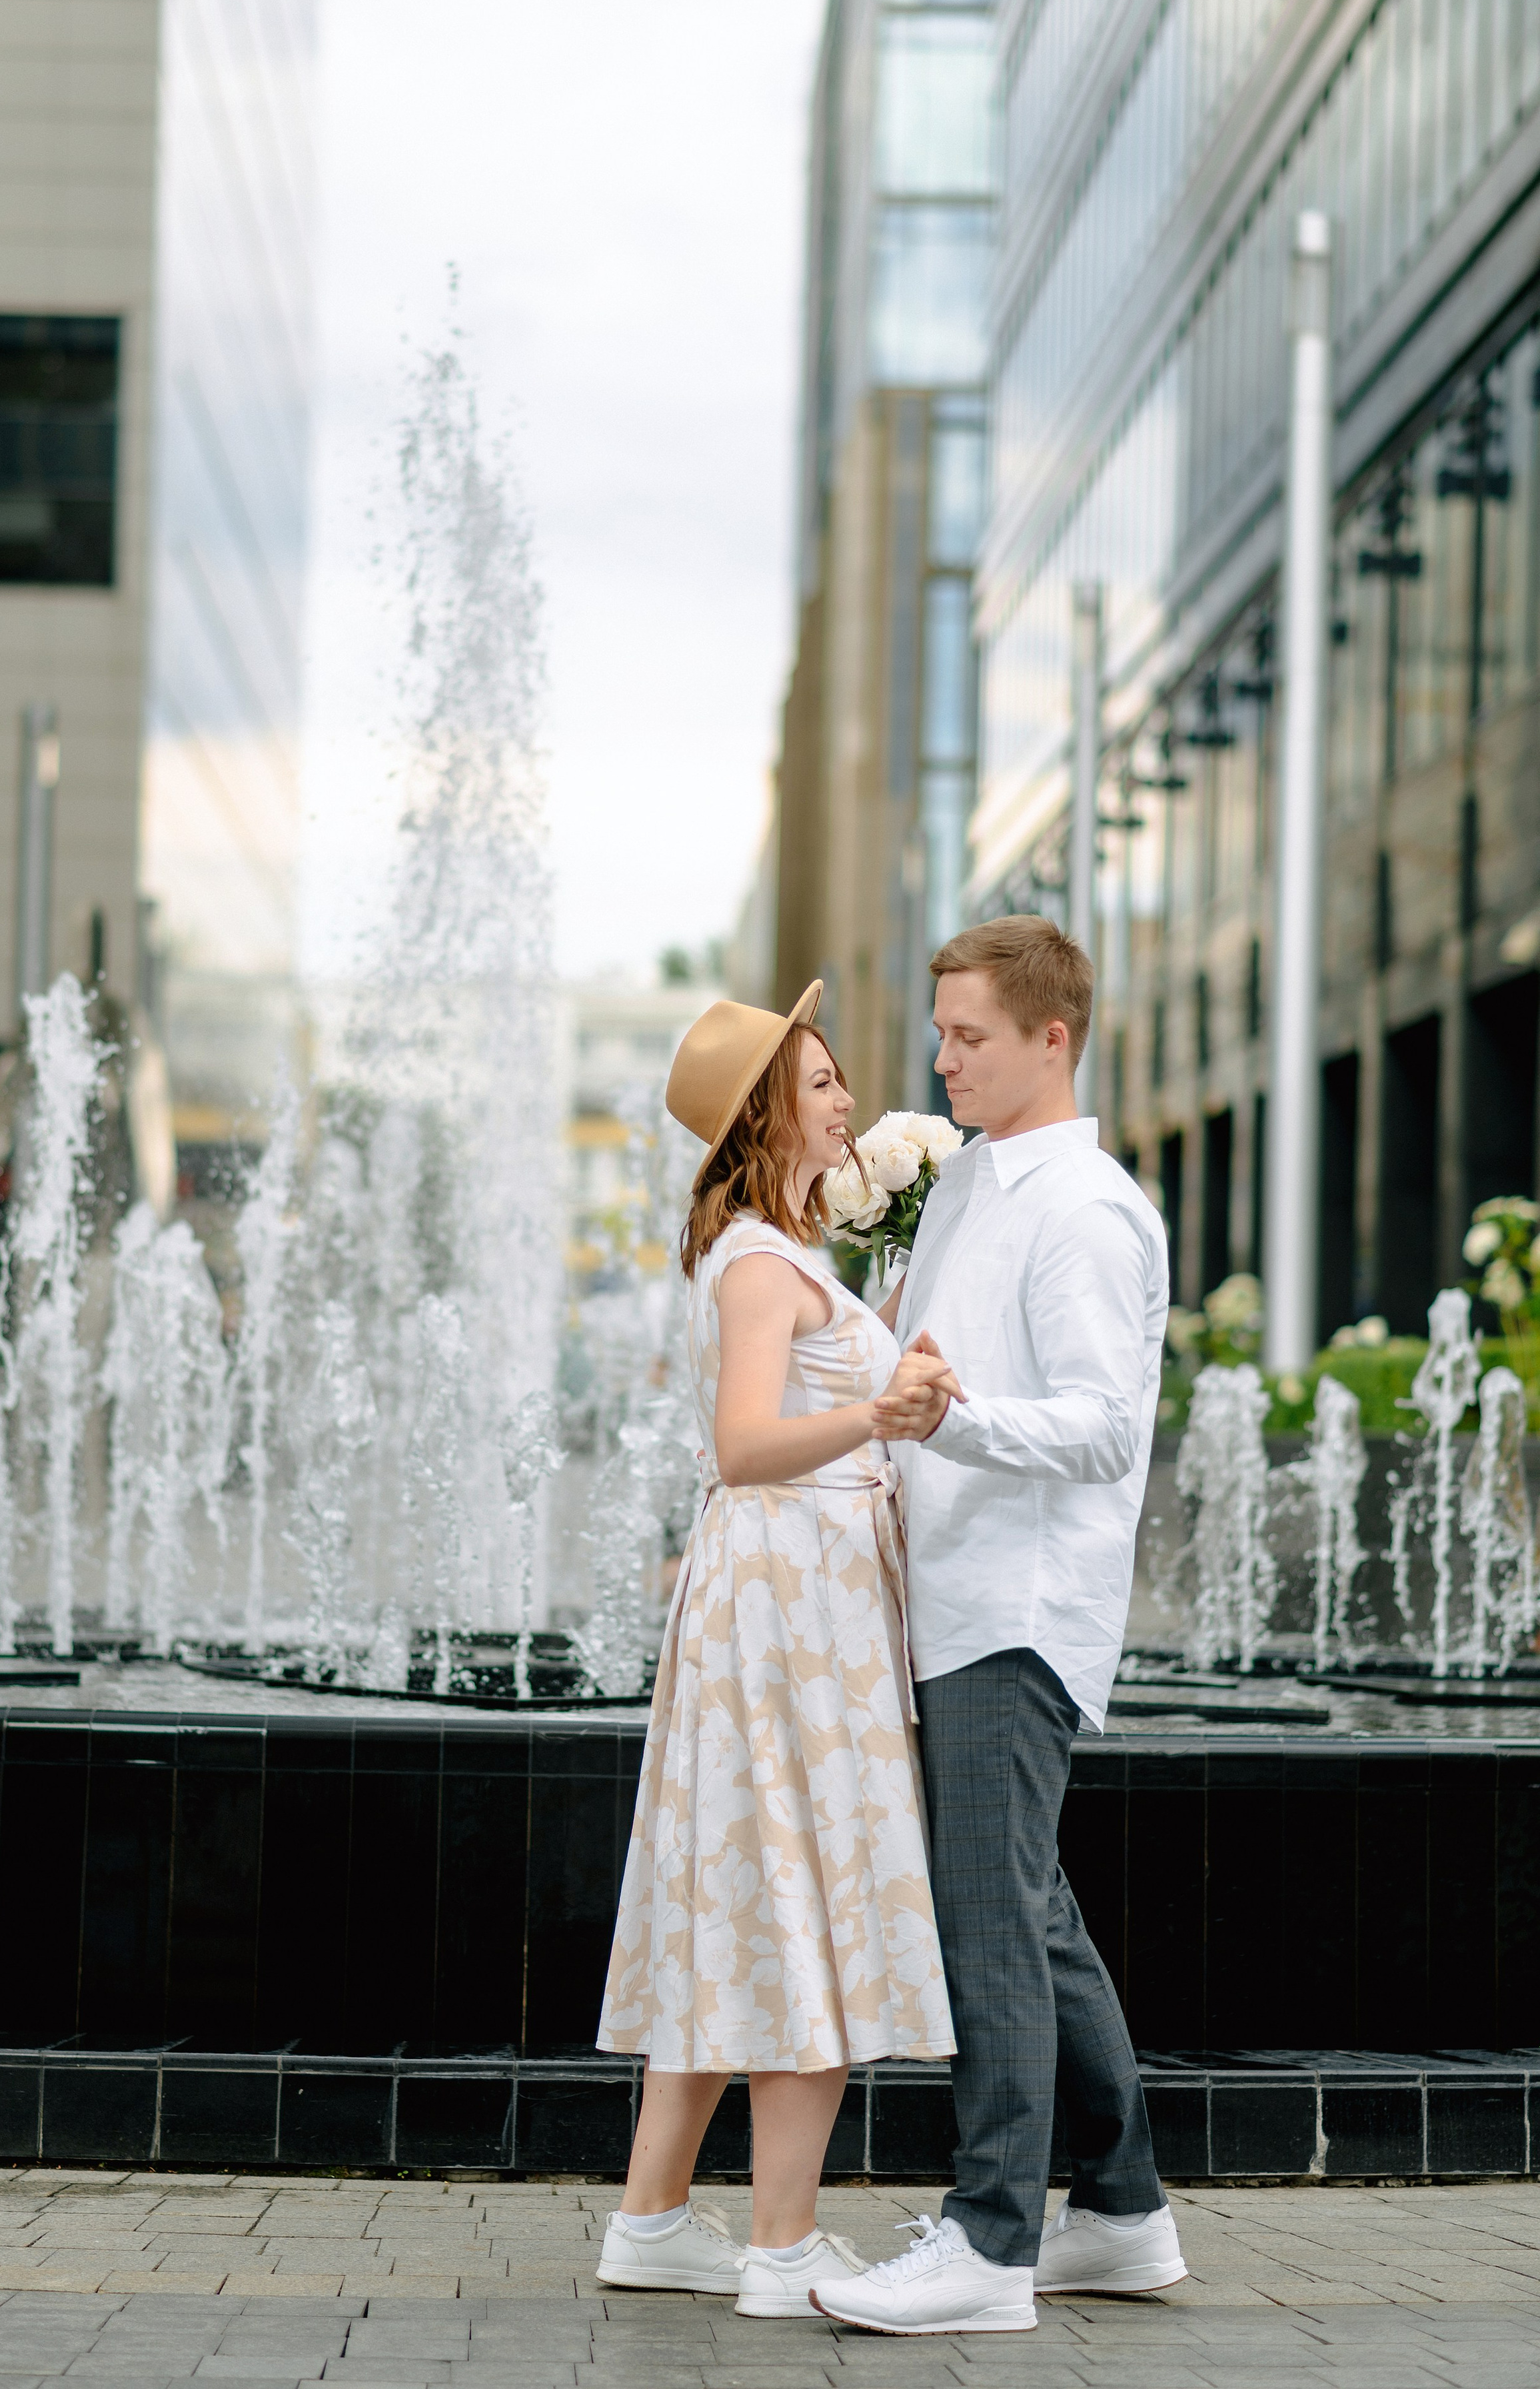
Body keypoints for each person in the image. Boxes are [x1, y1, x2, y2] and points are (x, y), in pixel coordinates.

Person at [812, 916, 1187, 2338]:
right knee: (1029, 1908)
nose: (941, 1057)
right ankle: (1123, 2213)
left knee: (987, 1923)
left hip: (1015, 1610)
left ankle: (986, 2240)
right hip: (952, 1591)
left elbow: (1102, 1432)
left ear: (1050, 1037)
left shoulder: (1081, 1207)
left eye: (969, 1035)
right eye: (939, 1032)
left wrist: (948, 1418)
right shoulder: (970, 1184)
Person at [595, 981, 959, 2320]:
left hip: (793, 1595)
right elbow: (747, 1445)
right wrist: (882, 1407)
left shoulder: (769, 1249)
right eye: (818, 1084)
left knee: (750, 1894)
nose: (846, 1099)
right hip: (791, 1604)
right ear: (766, 1114)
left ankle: (651, 2219)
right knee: (804, 1895)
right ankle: (783, 2243)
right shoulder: (759, 1261)